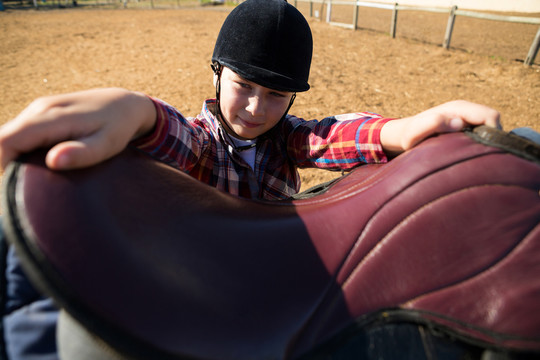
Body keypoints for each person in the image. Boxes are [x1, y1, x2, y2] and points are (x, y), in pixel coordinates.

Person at [0, 0, 501, 359]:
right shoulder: (202, 142)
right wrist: (137, 111)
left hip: (263, 287)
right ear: (217, 74)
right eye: (245, 85)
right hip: (201, 282)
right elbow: (176, 136)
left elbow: (328, 136)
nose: (259, 108)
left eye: (278, 94)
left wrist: (400, 130)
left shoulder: (287, 140)